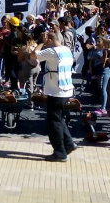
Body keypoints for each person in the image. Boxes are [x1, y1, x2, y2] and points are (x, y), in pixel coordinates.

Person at [32, 32, 77, 162]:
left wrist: (40, 42)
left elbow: (33, 55)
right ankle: (69, 144)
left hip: (56, 91)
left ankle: (60, 152)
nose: (46, 45)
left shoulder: (53, 51)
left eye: (47, 42)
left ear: (50, 40)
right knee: (59, 118)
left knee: (54, 123)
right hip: (66, 88)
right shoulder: (66, 49)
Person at [91, 39, 110, 116]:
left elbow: (103, 62)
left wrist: (102, 58)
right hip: (104, 70)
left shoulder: (106, 51)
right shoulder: (109, 51)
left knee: (103, 88)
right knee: (103, 88)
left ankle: (104, 108)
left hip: (105, 70)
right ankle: (105, 106)